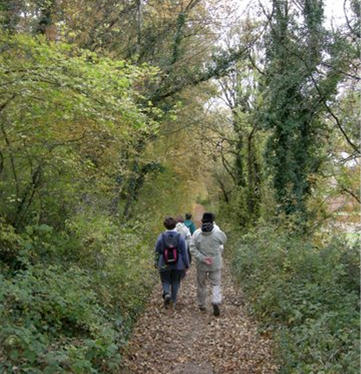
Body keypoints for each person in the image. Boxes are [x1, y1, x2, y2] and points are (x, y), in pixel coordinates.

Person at [190, 212, 227, 316]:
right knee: (215, 283)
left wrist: (202, 258)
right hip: (215, 263)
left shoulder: (197, 233)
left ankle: (201, 304)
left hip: (201, 264)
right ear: (213, 221)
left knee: (201, 284)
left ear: (202, 221)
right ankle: (215, 301)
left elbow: (192, 248)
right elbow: (224, 241)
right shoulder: (217, 232)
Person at [155, 216, 189, 308]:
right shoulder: (180, 237)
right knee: (175, 281)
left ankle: (166, 293)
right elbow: (184, 252)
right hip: (178, 264)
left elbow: (157, 251)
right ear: (175, 225)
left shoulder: (161, 237)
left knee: (165, 279)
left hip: (164, 263)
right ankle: (173, 301)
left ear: (165, 225)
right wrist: (186, 264)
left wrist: (156, 262)